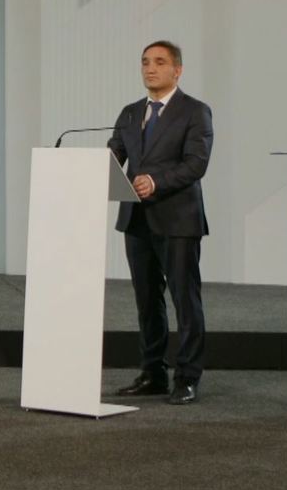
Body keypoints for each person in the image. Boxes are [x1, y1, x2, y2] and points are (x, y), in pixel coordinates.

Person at [107, 41, 213, 405]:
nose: (150, 69)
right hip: (136, 220)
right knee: (146, 301)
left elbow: (196, 164)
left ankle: (186, 377)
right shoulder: (129, 113)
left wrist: (156, 181)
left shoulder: (195, 111)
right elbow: (112, 156)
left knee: (185, 300)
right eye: (145, 62)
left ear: (177, 70)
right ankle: (153, 372)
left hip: (178, 219)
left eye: (159, 62)